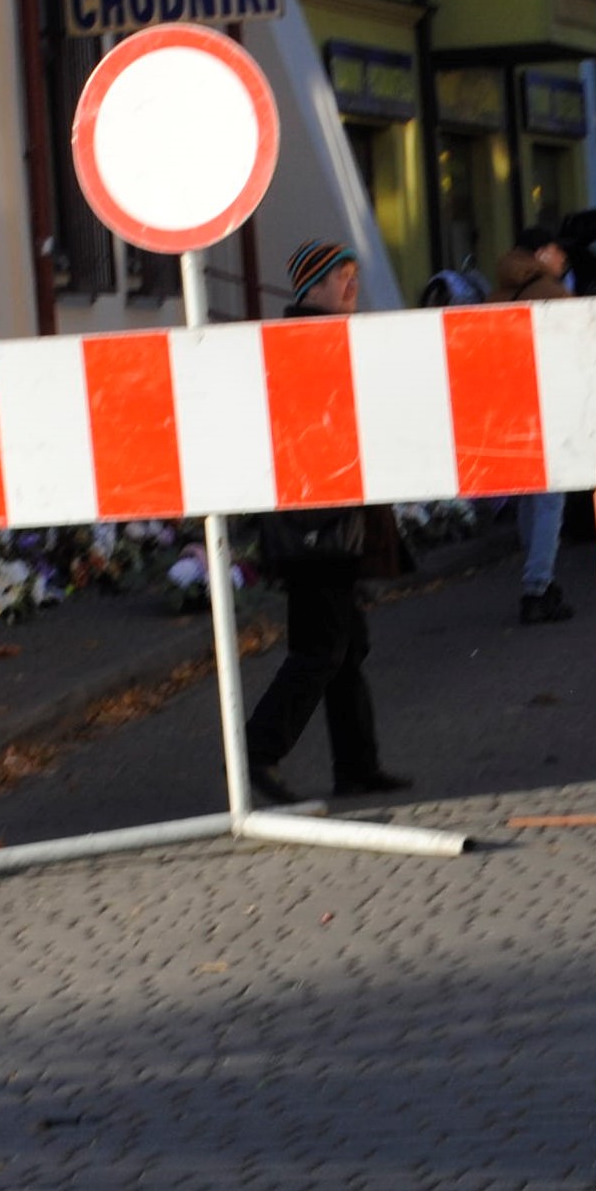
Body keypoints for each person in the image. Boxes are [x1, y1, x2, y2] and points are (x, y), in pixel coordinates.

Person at [244, 241, 409, 804]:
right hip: (316, 520)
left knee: (346, 645)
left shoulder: (330, 338)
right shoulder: (306, 343)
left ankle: (357, 765)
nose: (351, 285)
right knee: (322, 647)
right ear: (310, 287)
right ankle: (257, 753)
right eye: (340, 276)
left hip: (330, 517)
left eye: (353, 274)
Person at [493, 224, 577, 625]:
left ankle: (537, 578)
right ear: (543, 253)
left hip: (509, 407)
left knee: (529, 496)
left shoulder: (497, 291)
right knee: (550, 499)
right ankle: (538, 587)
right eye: (560, 252)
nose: (564, 261)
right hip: (546, 405)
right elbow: (578, 347)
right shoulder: (551, 292)